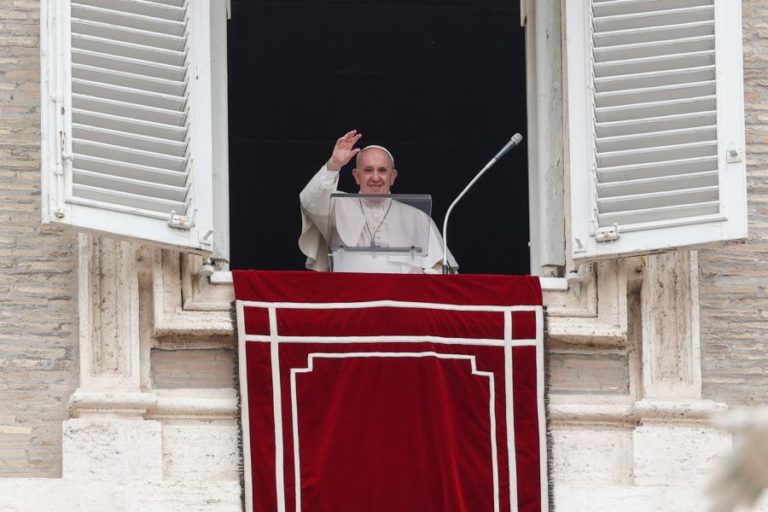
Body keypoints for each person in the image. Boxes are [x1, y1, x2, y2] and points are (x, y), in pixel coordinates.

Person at [299, 130, 457, 273]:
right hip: (350, 294)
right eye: (368, 170)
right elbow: (310, 202)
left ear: (392, 177)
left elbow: (441, 271)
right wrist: (334, 164)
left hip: (401, 296)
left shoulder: (417, 218)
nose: (375, 178)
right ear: (356, 176)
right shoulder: (337, 205)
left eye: (382, 170)